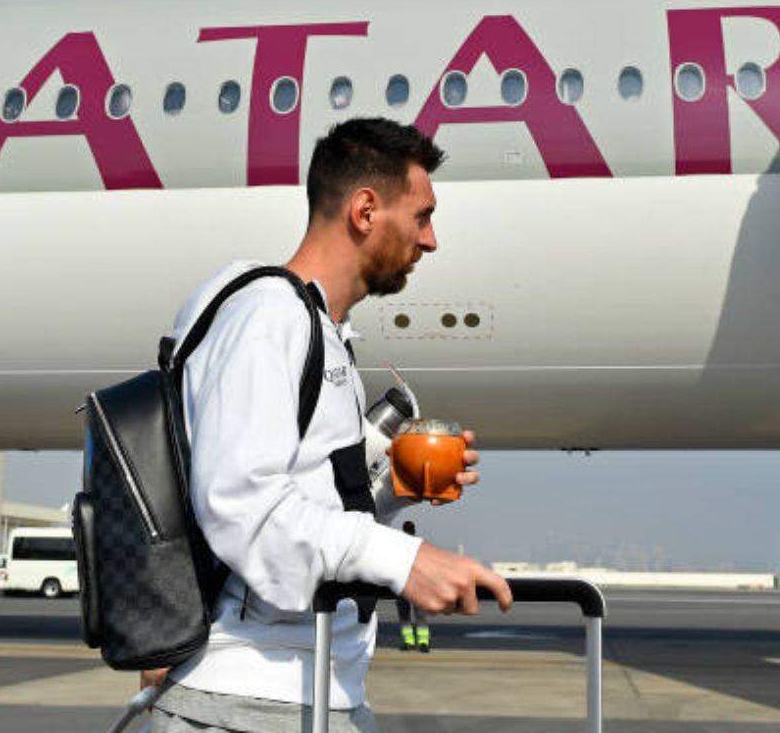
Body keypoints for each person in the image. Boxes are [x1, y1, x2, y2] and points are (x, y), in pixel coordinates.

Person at [149, 118, 513, 732]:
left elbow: (308, 515)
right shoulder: (268, 317)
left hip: (314, 690)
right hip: (249, 702)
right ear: (365, 211)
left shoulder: (321, 330)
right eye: (422, 216)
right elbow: (242, 506)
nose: (430, 241)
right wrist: (406, 559)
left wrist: (392, 492)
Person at [395, 521, 431, 653]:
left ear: (403, 530)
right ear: (414, 531)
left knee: (404, 616)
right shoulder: (421, 546)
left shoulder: (398, 546)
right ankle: (423, 643)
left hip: (402, 585)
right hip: (418, 586)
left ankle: (408, 642)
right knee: (421, 616)